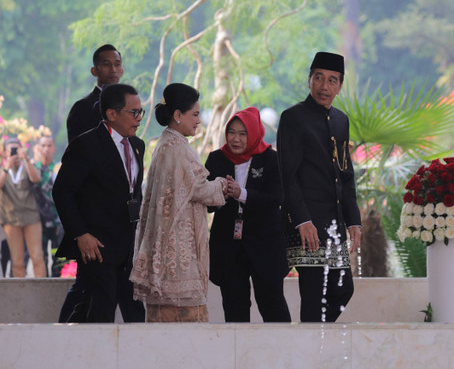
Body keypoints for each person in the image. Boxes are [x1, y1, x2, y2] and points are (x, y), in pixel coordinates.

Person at [130, 82, 228, 323]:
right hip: (178, 261)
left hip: (166, 253)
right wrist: (223, 185)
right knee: (188, 338)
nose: (198, 121)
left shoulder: (165, 145)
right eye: (194, 115)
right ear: (177, 115)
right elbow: (198, 188)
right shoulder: (177, 149)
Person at [277, 51, 362, 322]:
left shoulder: (341, 120)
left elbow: (345, 175)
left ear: (339, 85)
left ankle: (314, 341)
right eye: (319, 78)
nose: (325, 86)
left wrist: (354, 221)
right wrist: (302, 220)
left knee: (343, 289)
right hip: (307, 226)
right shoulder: (293, 118)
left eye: (332, 80)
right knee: (315, 294)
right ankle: (312, 352)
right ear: (310, 80)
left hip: (334, 223)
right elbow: (288, 176)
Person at [53, 84, 146, 323]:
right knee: (101, 312)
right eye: (133, 112)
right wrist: (81, 234)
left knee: (135, 313)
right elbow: (62, 192)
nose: (138, 118)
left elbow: (133, 193)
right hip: (96, 246)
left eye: (140, 112)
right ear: (112, 114)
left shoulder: (137, 145)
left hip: (128, 248)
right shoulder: (86, 145)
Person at [205, 107, 291, 322]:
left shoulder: (271, 159)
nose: (235, 139)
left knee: (273, 306)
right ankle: (237, 355)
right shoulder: (216, 159)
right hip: (229, 248)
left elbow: (276, 198)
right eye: (232, 132)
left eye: (243, 134)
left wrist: (241, 194)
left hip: (265, 246)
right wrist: (220, 194)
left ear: (254, 133)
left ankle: (283, 353)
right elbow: (206, 205)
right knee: (234, 309)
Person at [0, 138, 47, 278]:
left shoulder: (27, 166)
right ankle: (21, 294)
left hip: (31, 218)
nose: (15, 153)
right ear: (4, 153)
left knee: (37, 256)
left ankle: (41, 289)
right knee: (17, 261)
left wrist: (26, 160)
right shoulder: (3, 169)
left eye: (17, 149)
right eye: (11, 150)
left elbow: (36, 178)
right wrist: (6, 167)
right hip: (11, 220)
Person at [66, 44, 123, 143]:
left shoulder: (126, 105)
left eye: (117, 64)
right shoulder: (82, 107)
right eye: (106, 64)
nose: (113, 70)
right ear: (94, 71)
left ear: (121, 71)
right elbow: (76, 150)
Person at [32, 136, 64, 277]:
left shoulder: (59, 169)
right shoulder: (32, 169)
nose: (46, 149)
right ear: (38, 148)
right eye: (43, 145)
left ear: (54, 148)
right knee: (41, 259)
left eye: (49, 145)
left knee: (58, 259)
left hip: (57, 221)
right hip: (37, 222)